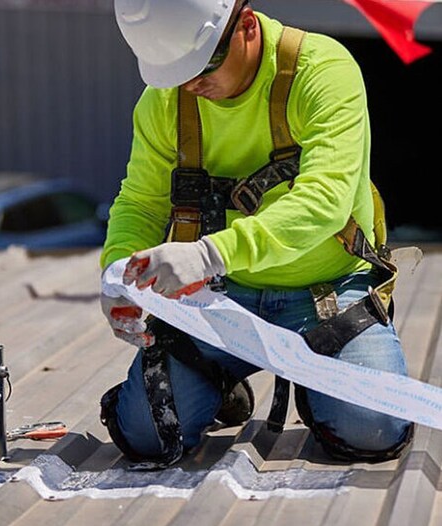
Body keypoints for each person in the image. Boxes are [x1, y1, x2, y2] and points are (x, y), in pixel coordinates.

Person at [99, 0, 414, 467]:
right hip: (221, 302)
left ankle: (318, 378)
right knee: (148, 435)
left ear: (246, 26)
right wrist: (118, 272)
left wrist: (210, 255)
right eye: (174, 74)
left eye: (202, 67)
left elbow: (326, 201)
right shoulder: (168, 101)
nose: (190, 86)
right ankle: (219, 380)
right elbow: (141, 201)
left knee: (372, 429)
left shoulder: (320, 70)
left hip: (327, 293)